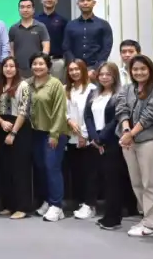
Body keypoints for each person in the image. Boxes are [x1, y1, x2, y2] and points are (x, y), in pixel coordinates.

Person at [116, 54, 153, 238]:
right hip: (128, 140)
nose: (139, 72)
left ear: (150, 70)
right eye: (135, 69)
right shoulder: (127, 88)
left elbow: (151, 115)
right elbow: (121, 109)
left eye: (143, 69)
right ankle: (145, 217)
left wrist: (131, 134)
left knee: (149, 183)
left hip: (148, 141)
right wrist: (126, 129)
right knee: (136, 182)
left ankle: (151, 225)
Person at [26, 52, 68, 222]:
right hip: (36, 132)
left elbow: (60, 111)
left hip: (53, 133)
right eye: (35, 64)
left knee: (52, 168)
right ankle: (48, 201)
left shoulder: (55, 84)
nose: (38, 67)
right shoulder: (28, 84)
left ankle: (57, 206)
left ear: (48, 66)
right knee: (41, 168)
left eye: (41, 64)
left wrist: (54, 134)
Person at [83, 62, 124, 230]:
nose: (104, 77)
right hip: (95, 141)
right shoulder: (93, 93)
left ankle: (113, 218)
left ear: (115, 76)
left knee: (112, 181)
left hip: (112, 141)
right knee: (99, 179)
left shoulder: (120, 94)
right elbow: (87, 116)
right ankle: (107, 215)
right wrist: (94, 137)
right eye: (101, 74)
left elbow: (116, 119)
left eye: (108, 74)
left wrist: (101, 139)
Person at [0, 56, 33, 219]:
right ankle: (9, 204)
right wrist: (1, 122)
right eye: (6, 66)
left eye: (12, 66)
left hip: (19, 129)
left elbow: (24, 111)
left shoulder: (23, 85)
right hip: (2, 126)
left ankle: (22, 207)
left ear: (17, 68)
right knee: (6, 168)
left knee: (20, 169)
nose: (8, 69)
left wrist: (13, 133)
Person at [65, 59, 98, 220]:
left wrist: (83, 135)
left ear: (84, 70)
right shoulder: (67, 89)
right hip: (71, 137)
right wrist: (69, 121)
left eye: (77, 69)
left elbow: (90, 114)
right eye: (71, 70)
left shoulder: (92, 89)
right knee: (76, 172)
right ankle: (81, 202)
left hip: (86, 137)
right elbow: (63, 110)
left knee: (89, 173)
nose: (74, 72)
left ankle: (90, 205)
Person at [62, 0, 113, 76]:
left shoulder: (103, 24)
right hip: (75, 69)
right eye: (82, 1)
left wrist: (96, 68)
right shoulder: (70, 25)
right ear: (78, 4)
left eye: (88, 0)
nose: (85, 3)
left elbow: (106, 48)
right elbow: (66, 47)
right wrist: (73, 65)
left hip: (96, 69)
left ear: (94, 3)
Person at [9, 0, 50, 78]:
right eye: (22, 7)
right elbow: (11, 49)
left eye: (28, 7)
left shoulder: (41, 27)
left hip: (37, 70)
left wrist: (41, 63)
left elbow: (46, 47)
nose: (25, 10)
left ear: (33, 9)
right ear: (19, 10)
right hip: (19, 71)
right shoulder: (13, 28)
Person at [37, 0, 68, 78]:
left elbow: (66, 43)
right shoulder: (35, 20)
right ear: (41, 0)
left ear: (56, 0)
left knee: (57, 85)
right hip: (38, 62)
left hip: (57, 62)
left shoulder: (63, 21)